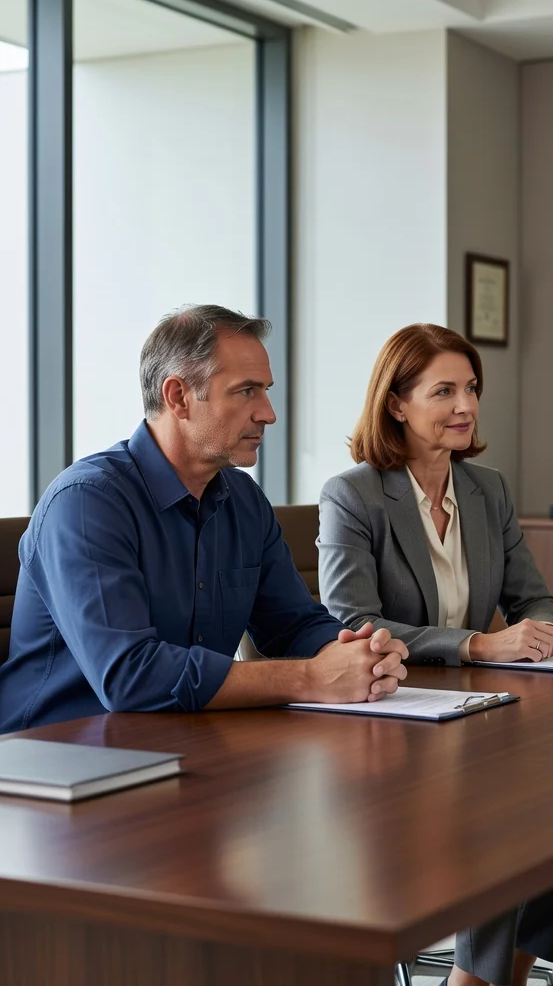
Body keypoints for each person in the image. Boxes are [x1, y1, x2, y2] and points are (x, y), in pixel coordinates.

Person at [318, 322, 553, 986]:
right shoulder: (354, 496)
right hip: (387, 720)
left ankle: (504, 973)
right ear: (396, 403)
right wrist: (477, 643)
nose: (466, 405)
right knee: (503, 812)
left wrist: (544, 631)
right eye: (443, 391)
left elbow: (536, 597)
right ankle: (473, 980)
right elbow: (351, 622)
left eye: (471, 388)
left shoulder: (485, 490)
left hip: (474, 712)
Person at [0, 305, 408, 733]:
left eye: (266, 390)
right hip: (58, 751)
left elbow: (292, 624)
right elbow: (130, 675)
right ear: (178, 397)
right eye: (246, 391)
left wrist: (358, 653)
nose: (268, 414)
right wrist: (311, 677)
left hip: (185, 740)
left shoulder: (244, 500)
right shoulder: (86, 503)